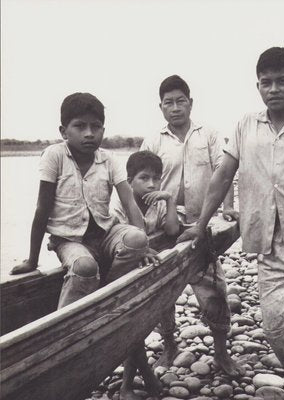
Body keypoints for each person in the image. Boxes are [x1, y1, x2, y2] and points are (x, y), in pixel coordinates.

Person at [178, 47, 284, 400]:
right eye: (266, 83)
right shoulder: (244, 126)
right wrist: (201, 223)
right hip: (269, 243)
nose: (274, 89)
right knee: (275, 326)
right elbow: (222, 176)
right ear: (257, 86)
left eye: (281, 81)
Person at [140, 75, 244, 377]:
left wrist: (226, 208)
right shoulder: (154, 141)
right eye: (168, 103)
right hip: (162, 227)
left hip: (202, 223)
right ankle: (170, 345)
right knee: (162, 293)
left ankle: (221, 352)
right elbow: (140, 187)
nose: (175, 108)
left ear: (190, 103)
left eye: (180, 101)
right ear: (160, 107)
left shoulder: (209, 135)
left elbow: (223, 173)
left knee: (213, 289)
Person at [11, 92, 157, 306]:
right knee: (85, 267)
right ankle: (65, 322)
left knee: (137, 239)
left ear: (103, 131)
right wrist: (32, 260)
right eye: (80, 126)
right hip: (69, 240)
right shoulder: (55, 156)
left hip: (106, 234)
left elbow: (129, 202)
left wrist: (144, 248)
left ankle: (108, 292)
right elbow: (42, 209)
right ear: (63, 131)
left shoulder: (108, 159)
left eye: (95, 127)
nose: (89, 133)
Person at [112, 150, 180, 399]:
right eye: (144, 178)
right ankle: (131, 384)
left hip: (147, 271)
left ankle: (134, 384)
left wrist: (170, 199)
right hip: (123, 270)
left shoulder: (157, 202)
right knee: (134, 328)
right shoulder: (118, 204)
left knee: (138, 328)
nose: (151, 184)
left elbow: (172, 229)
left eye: (156, 178)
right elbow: (120, 240)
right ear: (129, 180)